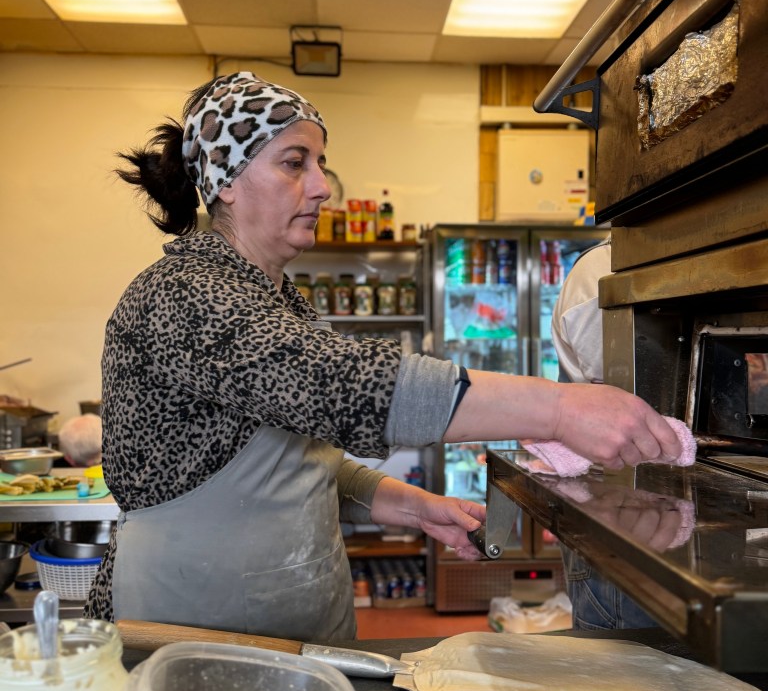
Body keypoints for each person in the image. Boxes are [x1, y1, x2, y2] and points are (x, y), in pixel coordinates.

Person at [84, 71, 681, 642]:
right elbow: (343, 384)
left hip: (291, 624)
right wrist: (559, 411)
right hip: (188, 628)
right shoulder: (186, 290)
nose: (321, 186)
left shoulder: (280, 300)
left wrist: (410, 504)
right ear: (224, 182)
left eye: (320, 164)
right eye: (295, 163)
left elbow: (290, 465)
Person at [551, 239, 658, 629]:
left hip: (647, 505)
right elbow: (615, 401)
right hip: (613, 510)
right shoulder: (602, 271)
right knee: (622, 671)